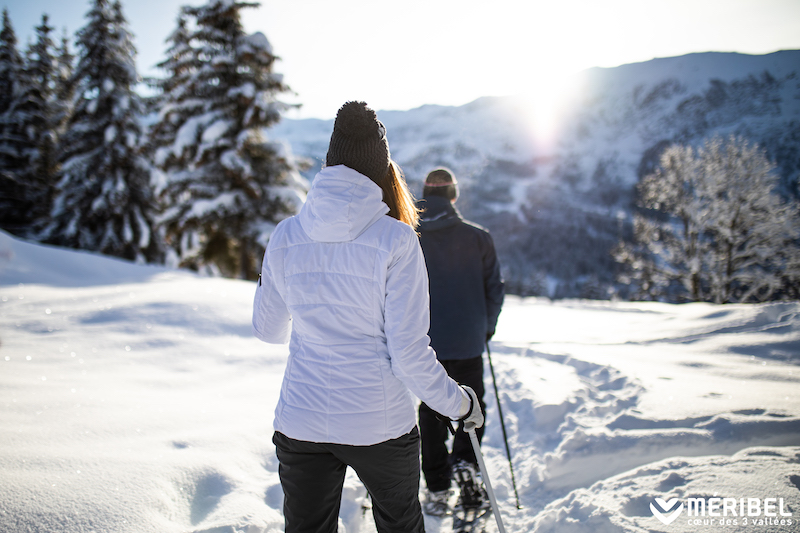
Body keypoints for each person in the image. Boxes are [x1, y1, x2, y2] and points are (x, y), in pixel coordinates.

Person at [252, 101, 484, 533]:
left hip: (301, 421)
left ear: (330, 162)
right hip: (379, 425)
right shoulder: (396, 239)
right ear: (381, 168)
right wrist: (461, 404)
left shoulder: (285, 236)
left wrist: (270, 277)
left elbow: (268, 330)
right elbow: (408, 354)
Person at [416, 167, 505, 516]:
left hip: (425, 344)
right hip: (469, 340)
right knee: (470, 406)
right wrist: (485, 328)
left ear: (424, 195)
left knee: (431, 410)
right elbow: (494, 290)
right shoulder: (479, 237)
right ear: (453, 195)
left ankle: (437, 486)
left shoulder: (411, 236)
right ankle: (467, 467)